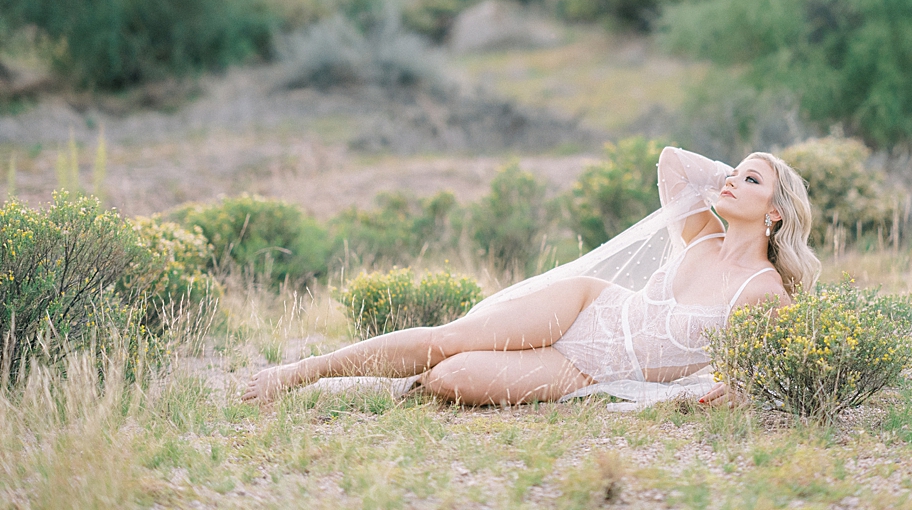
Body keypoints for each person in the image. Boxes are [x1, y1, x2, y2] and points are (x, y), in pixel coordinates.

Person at [242, 146, 820, 406]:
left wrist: (734, 394)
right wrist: (731, 174)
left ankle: (405, 380)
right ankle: (302, 373)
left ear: (776, 212)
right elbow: (673, 159)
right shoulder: (702, 235)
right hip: (585, 306)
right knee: (447, 339)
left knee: (452, 380)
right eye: (733, 174)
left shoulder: (763, 290)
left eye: (750, 182)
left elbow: (768, 370)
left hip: (590, 370)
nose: (730, 184)